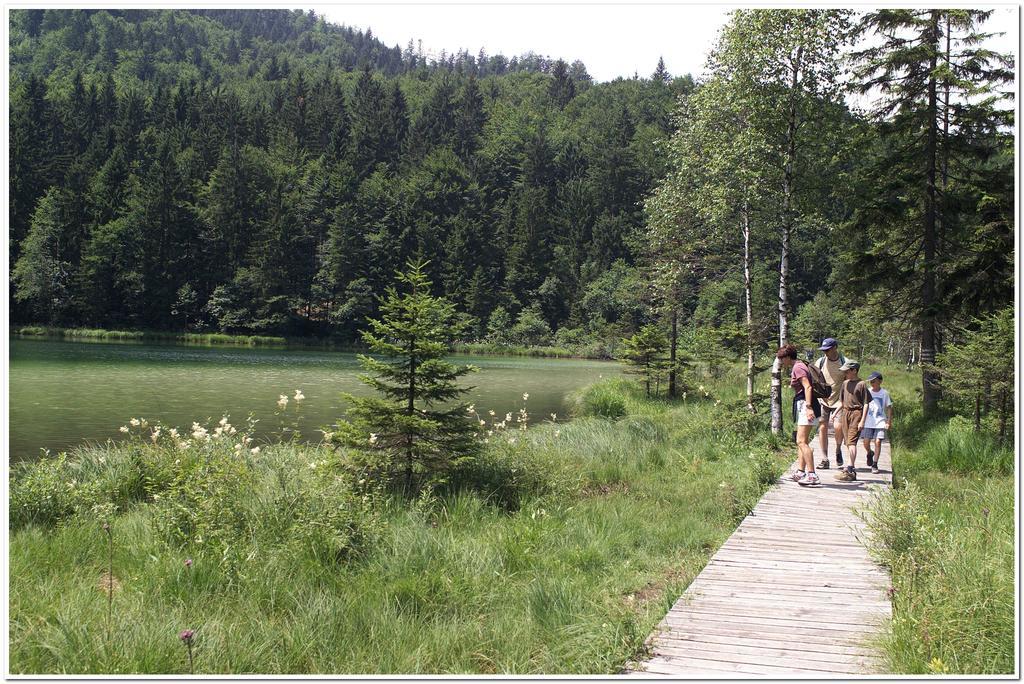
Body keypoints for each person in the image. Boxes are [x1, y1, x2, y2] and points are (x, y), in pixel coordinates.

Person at [777, 344, 820, 486]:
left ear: (788, 357)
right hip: (806, 404)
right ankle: (801, 472)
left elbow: (807, 386)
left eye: (782, 359)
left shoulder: (798, 367)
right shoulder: (800, 365)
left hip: (806, 405)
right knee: (803, 441)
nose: (781, 362)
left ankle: (812, 475)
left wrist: (808, 407)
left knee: (800, 441)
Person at [815, 338, 847, 470]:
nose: (825, 353)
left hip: (839, 400)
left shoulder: (845, 362)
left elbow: (850, 381)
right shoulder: (820, 361)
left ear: (835, 348)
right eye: (823, 350)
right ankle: (824, 458)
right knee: (822, 427)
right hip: (823, 399)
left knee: (838, 427)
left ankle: (838, 449)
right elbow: (814, 378)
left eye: (827, 350)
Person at [834, 360, 869, 482]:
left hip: (856, 414)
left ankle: (849, 469)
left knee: (852, 442)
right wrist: (835, 412)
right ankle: (850, 469)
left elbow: (865, 404)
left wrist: (862, 420)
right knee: (847, 442)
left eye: (847, 371)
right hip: (845, 413)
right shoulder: (845, 383)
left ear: (854, 370)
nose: (845, 374)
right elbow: (842, 402)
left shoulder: (862, 384)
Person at [861, 371, 893, 474]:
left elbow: (889, 407)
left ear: (880, 381)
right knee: (866, 442)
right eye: (871, 382)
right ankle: (870, 452)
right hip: (868, 421)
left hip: (880, 421)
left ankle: (875, 464)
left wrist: (888, 421)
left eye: (874, 381)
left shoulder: (884, 393)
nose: (872, 384)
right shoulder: (867, 391)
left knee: (878, 441)